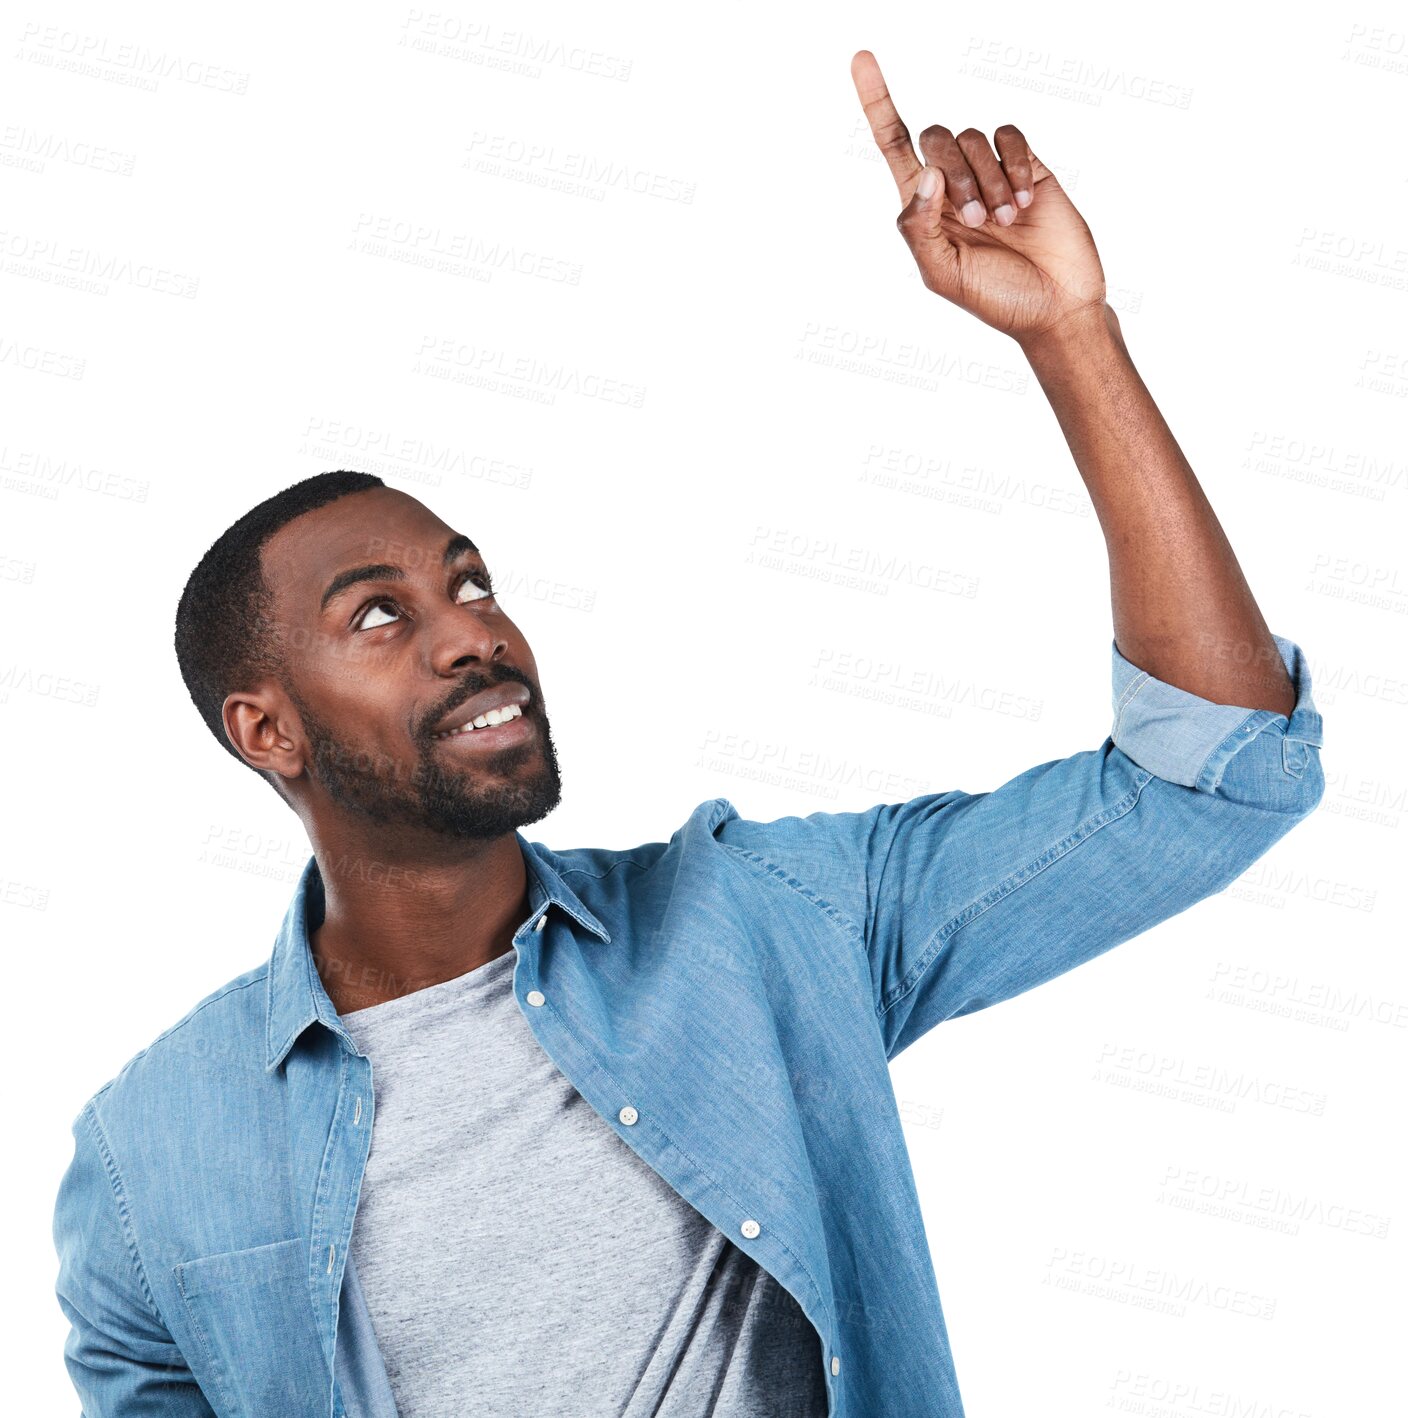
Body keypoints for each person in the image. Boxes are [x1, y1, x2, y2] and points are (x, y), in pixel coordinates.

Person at [50, 50, 1325, 1418]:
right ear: (265, 727)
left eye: (470, 580)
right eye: (378, 615)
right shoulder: (152, 1154)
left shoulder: (765, 922)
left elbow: (1206, 778)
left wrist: (1072, 335)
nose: (471, 629)